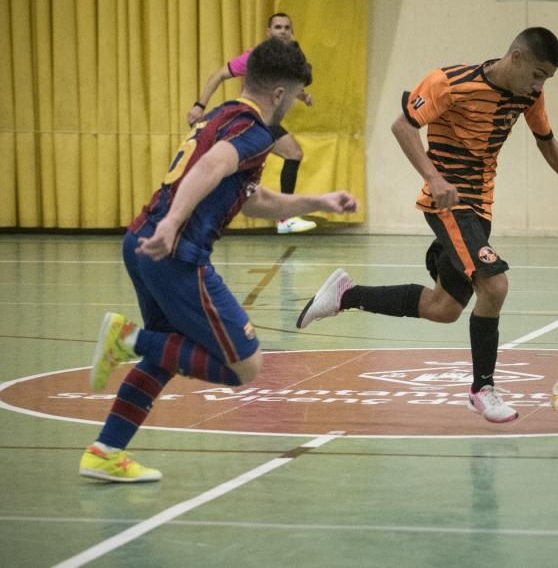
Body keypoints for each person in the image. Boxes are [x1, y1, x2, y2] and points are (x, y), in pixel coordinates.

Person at [79, 38, 358, 482]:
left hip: (141, 242)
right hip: (175, 254)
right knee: (243, 363)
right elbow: (209, 168)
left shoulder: (222, 114)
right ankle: (127, 340)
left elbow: (252, 199)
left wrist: (318, 201)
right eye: (294, 97)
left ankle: (106, 450)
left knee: (169, 352)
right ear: (279, 95)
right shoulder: (254, 131)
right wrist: (173, 223)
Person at [297, 27, 558, 423]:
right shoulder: (449, 83)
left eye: (546, 79)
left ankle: (345, 294)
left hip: (480, 210)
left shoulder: (528, 96)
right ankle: (482, 389)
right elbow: (402, 126)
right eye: (537, 73)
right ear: (516, 56)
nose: (538, 84)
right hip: (448, 203)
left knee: (444, 307)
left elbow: (546, 139)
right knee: (495, 284)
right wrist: (433, 177)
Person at [187, 12, 317, 234]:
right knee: (250, 166)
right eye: (278, 27)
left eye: (287, 27)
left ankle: (282, 217)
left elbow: (282, 87)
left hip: (265, 120)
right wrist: (199, 105)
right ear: (268, 32)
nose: (283, 31)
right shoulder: (254, 58)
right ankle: (283, 217)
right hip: (250, 118)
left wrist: (302, 96)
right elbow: (218, 75)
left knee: (262, 164)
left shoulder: (288, 60)